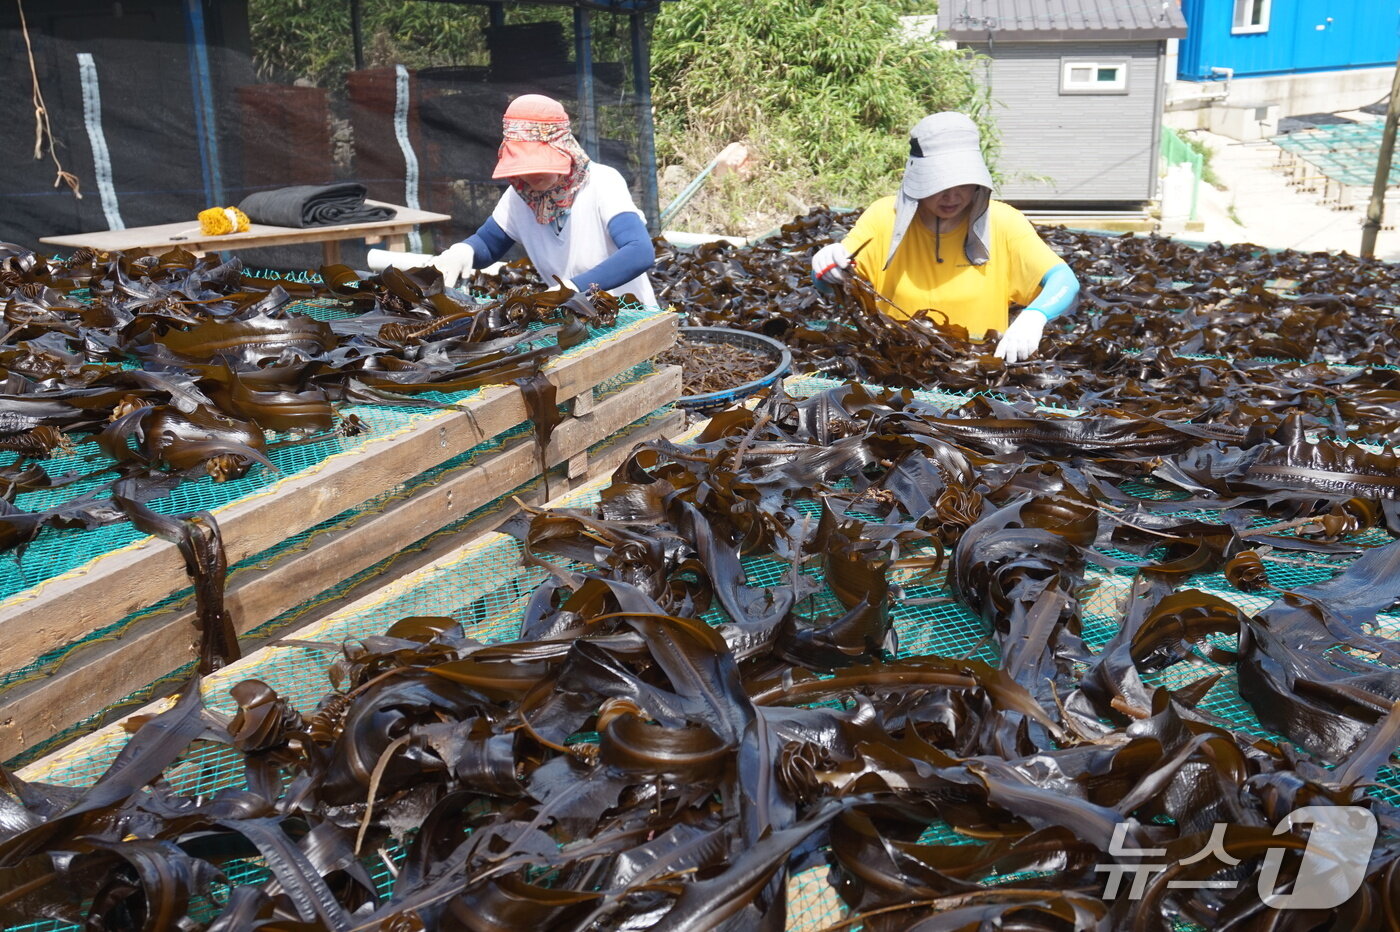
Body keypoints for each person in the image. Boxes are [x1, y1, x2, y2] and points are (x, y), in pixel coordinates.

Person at [811, 112, 1078, 363]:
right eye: (938, 185)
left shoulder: (1003, 222)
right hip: (894, 363)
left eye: (963, 183)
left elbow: (1064, 281)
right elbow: (833, 284)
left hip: (979, 367)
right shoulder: (884, 217)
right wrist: (825, 269)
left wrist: (1035, 315)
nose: (952, 197)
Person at [431, 94, 657, 307]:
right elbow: (488, 245)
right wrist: (464, 251)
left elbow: (639, 251)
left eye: (540, 164)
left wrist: (574, 287)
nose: (530, 176)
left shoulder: (601, 182)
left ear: (565, 149)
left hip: (630, 314)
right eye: (524, 166)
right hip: (572, 319)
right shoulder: (519, 198)